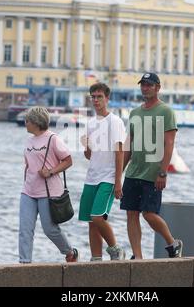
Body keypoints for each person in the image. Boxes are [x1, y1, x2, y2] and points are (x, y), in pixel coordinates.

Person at [121, 72, 183, 259]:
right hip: (133, 173)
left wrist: (162, 173)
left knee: (149, 214)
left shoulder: (166, 111)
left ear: (157, 87)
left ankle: (172, 244)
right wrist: (119, 175)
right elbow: (129, 145)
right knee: (131, 214)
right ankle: (138, 256)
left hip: (153, 173)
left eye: (149, 85)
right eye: (143, 85)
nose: (145, 88)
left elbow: (169, 143)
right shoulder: (135, 113)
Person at [19, 106, 79, 263]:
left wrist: (51, 171)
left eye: (27, 120)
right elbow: (28, 165)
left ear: (36, 122)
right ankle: (24, 263)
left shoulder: (53, 139)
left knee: (50, 229)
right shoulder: (28, 141)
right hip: (28, 191)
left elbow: (68, 161)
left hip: (48, 192)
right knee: (25, 230)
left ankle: (70, 252)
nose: (25, 122)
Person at [78, 83, 126, 261]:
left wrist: (118, 181)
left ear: (107, 99)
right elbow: (90, 155)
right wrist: (86, 148)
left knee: (97, 217)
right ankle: (96, 259)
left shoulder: (115, 122)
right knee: (91, 222)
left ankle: (115, 249)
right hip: (91, 177)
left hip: (108, 177)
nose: (96, 100)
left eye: (99, 96)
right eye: (93, 97)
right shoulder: (90, 123)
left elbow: (119, 151)